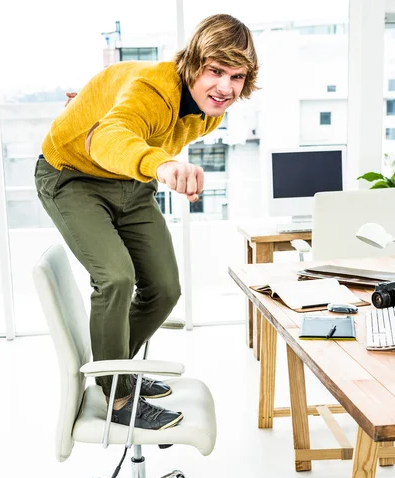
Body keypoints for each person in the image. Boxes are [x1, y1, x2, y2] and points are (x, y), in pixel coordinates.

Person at [35, 13, 259, 430]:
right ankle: (117, 397)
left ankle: (113, 368)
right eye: (215, 71)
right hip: (73, 174)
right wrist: (163, 165)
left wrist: (90, 99)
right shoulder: (155, 88)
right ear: (192, 62)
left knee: (164, 288)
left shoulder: (211, 112)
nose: (225, 88)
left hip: (130, 181)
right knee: (116, 278)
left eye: (237, 76)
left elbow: (119, 95)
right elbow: (107, 136)